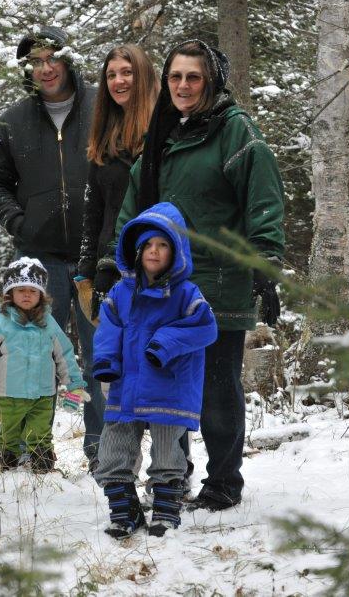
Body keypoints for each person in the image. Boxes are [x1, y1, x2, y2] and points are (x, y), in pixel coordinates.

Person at [115, 39, 285, 511]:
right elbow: (135, 208)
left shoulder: (235, 132)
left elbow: (263, 196)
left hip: (218, 282)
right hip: (165, 287)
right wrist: (122, 262)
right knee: (170, 388)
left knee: (215, 389)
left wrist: (265, 261)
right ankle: (173, 477)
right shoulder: (163, 135)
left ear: (211, 81)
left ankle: (224, 483)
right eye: (175, 77)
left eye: (194, 77)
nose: (183, 86)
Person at [0, 25, 105, 470]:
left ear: (68, 60)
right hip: (38, 259)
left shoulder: (102, 108)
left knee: (97, 354)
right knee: (31, 355)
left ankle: (102, 453)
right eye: (35, 62)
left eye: (52, 58)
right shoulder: (13, 121)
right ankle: (32, 450)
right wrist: (19, 222)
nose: (45, 68)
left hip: (95, 257)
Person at [92, 202, 218, 538]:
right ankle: (124, 510)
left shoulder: (186, 293)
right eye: (148, 244)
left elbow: (205, 328)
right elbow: (108, 330)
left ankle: (166, 509)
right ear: (136, 250)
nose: (154, 251)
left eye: (162, 245)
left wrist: (164, 343)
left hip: (169, 385)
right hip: (127, 384)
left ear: (176, 252)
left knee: (166, 449)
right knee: (114, 447)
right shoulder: (121, 292)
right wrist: (106, 362)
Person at [0, 257, 89, 474]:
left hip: (43, 393)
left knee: (40, 432)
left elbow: (65, 354)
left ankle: (42, 465)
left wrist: (74, 384)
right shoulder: (1, 321)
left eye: (33, 290)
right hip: (10, 392)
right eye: (20, 289)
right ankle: (7, 463)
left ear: (41, 294)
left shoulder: (49, 324)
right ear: (9, 293)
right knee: (10, 431)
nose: (27, 294)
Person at [75, 44, 159, 321]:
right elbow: (94, 210)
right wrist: (85, 274)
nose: (118, 81)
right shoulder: (104, 138)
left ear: (144, 77)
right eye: (111, 75)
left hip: (154, 267)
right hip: (108, 271)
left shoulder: (164, 134)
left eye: (127, 72)